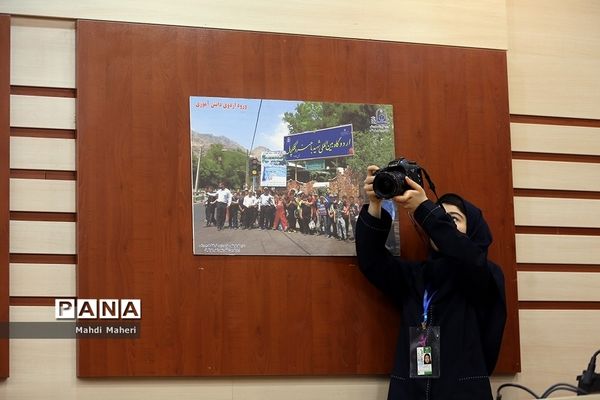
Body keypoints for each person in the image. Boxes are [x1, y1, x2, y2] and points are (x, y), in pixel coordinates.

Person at [355, 165, 506, 400]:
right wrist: (375, 204)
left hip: (464, 392)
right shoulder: (416, 276)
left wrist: (425, 210)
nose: (443, 224)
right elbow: (371, 260)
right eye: (439, 218)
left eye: (453, 219)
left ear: (473, 229)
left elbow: (470, 260)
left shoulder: (485, 274)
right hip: (410, 392)